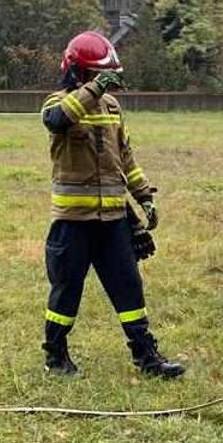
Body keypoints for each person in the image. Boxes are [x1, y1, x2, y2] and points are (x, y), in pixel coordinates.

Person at [38, 30, 185, 379]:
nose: (100, 82)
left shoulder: (112, 108)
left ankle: (146, 357)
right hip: (73, 221)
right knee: (66, 290)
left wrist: (144, 197)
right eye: (93, 75)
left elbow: (126, 158)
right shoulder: (56, 102)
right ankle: (55, 355)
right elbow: (59, 120)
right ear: (77, 72)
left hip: (113, 221)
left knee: (129, 287)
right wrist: (94, 88)